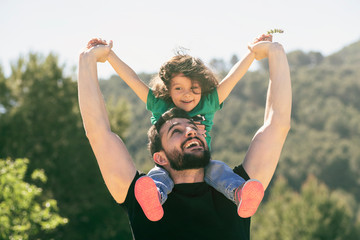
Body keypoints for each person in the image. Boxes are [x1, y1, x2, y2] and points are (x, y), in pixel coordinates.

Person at [78, 38, 291, 240]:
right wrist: (87, 60)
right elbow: (99, 133)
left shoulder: (240, 193)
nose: (191, 131)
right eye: (176, 131)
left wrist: (275, 52)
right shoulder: (142, 196)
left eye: (194, 128)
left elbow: (277, 125)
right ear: (159, 157)